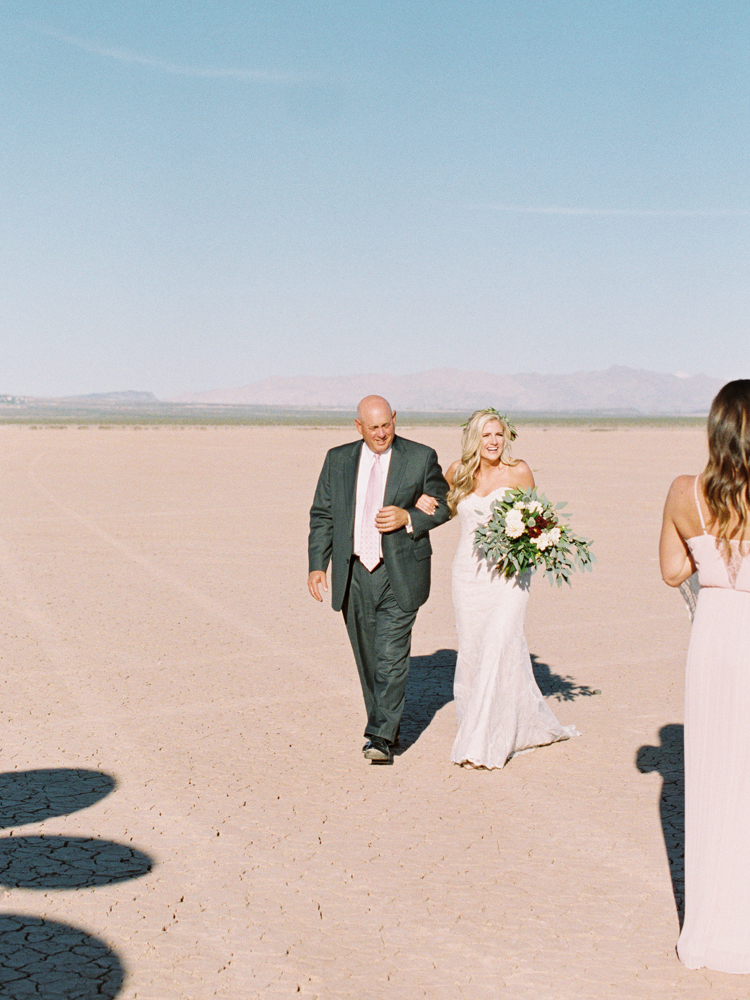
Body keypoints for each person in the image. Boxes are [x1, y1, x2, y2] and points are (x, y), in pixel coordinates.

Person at [418, 408, 576, 769]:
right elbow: (440, 508)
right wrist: (422, 502)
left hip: (509, 575)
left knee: (500, 642)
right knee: (474, 648)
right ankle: (482, 725)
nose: (493, 441)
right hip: (468, 574)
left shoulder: (518, 471)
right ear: (475, 437)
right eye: (487, 435)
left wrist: (530, 542)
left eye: (499, 435)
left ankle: (485, 743)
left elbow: (540, 521)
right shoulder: (458, 471)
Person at [659, 379, 750, 973]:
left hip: (715, 636)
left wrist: (707, 554)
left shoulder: (683, 491)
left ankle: (713, 927)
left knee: (716, 774)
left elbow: (671, 572)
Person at [307, 395, 450, 764]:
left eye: (387, 424)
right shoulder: (337, 460)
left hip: (399, 571)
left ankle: (380, 737)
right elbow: (323, 514)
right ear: (359, 427)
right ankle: (385, 723)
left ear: (395, 419)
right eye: (374, 427)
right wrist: (317, 564)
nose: (382, 433)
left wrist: (408, 517)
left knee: (390, 657)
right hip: (352, 571)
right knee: (368, 657)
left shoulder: (420, 457)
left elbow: (444, 503)